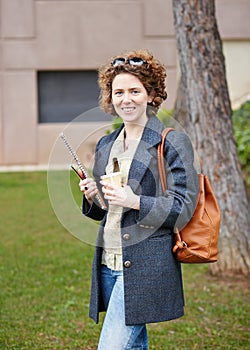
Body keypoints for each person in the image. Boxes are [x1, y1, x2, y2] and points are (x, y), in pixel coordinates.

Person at [79, 49, 199, 350]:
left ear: (151, 96)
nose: (126, 99)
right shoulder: (107, 144)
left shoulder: (171, 142)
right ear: (110, 97)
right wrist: (95, 197)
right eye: (118, 92)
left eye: (135, 90)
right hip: (108, 261)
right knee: (132, 345)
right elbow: (107, 209)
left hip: (146, 265)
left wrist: (135, 201)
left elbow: (183, 207)